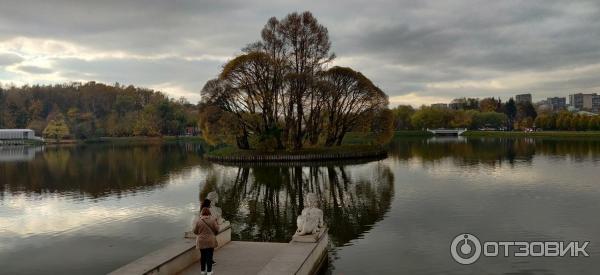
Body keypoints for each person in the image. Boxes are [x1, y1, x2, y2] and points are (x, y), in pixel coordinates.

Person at [194, 207, 219, 275]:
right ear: (209, 213)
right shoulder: (213, 220)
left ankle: (202, 271)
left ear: (202, 213)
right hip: (210, 241)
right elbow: (217, 229)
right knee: (209, 256)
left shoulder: (199, 221)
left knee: (203, 256)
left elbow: (195, 232)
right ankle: (209, 271)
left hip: (201, 241)